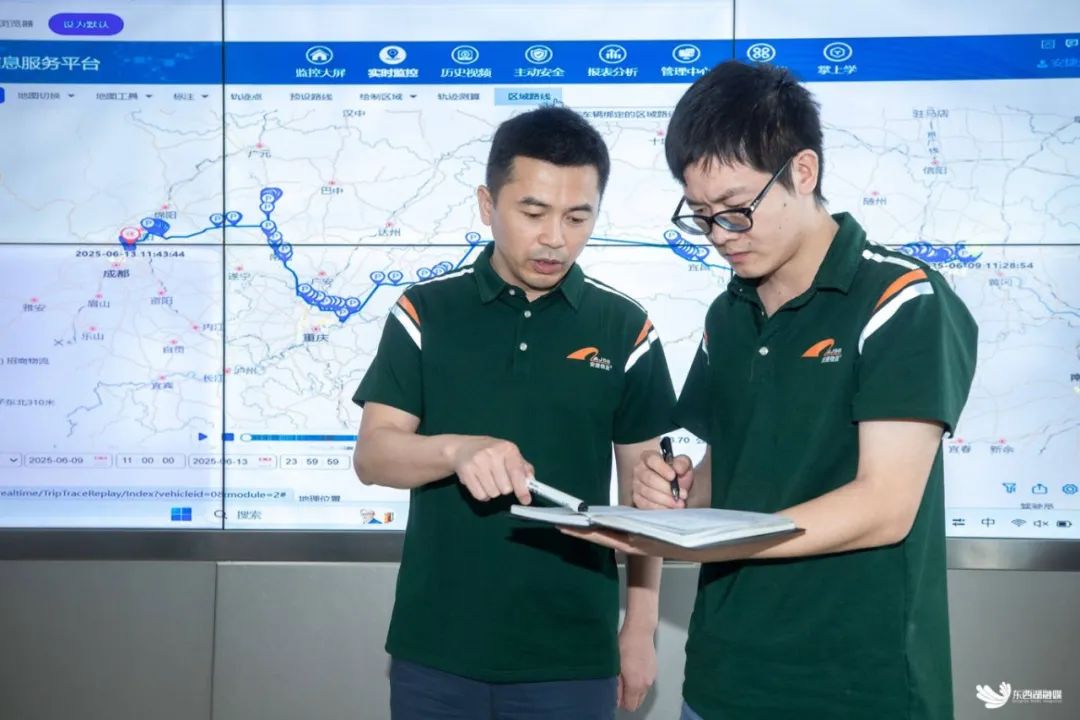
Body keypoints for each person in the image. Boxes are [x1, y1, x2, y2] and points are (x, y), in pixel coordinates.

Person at [564, 61, 978, 719]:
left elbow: (885, 505)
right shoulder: (728, 315)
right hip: (723, 680)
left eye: (737, 211)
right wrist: (672, 497)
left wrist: (716, 539)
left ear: (803, 172)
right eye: (702, 216)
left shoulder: (901, 300)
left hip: (854, 689)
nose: (720, 236)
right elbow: (724, 475)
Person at [351, 105, 677, 719]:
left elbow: (646, 501)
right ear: (487, 204)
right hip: (437, 650)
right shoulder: (424, 312)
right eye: (533, 213)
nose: (555, 238)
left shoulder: (625, 328)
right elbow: (373, 456)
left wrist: (640, 628)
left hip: (573, 657)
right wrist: (456, 450)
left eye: (577, 217)